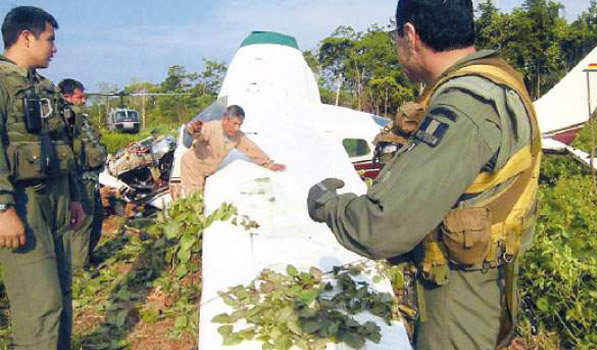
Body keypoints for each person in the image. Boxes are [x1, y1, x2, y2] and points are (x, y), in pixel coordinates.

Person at [306, 1, 541, 349]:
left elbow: (381, 227)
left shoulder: (463, 106)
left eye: (397, 37)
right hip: (486, 282)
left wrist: (329, 207)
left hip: (457, 302)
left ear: (411, 35)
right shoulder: (497, 79)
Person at [0, 6, 85, 349]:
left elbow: (64, 143)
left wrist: (75, 196)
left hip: (58, 199)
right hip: (23, 204)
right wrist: (4, 209)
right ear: (26, 37)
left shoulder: (44, 87)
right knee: (41, 306)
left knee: (61, 298)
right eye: (50, 39)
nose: (55, 47)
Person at [180, 105, 286, 196]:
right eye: (235, 124)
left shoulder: (237, 135)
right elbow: (197, 134)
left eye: (240, 125)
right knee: (194, 198)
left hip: (208, 169)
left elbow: (251, 148)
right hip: (193, 167)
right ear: (226, 120)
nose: (237, 128)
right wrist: (193, 130)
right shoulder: (211, 127)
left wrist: (268, 164)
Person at [59, 78, 107, 269]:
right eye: (80, 97)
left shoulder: (80, 118)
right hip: (80, 179)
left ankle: (87, 255)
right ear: (67, 97)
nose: (83, 101)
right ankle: (78, 267)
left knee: (95, 220)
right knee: (82, 224)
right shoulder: (64, 119)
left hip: (92, 177)